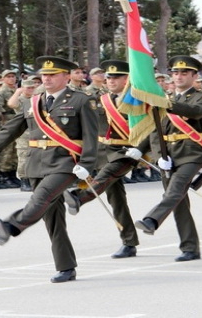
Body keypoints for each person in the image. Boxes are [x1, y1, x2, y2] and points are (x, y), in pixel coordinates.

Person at [0, 56, 98, 283]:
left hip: (65, 164)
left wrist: (87, 164)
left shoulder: (82, 101)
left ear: (66, 76)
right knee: (52, 217)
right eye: (44, 75)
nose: (46, 79)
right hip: (36, 163)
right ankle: (66, 267)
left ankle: (11, 225)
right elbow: (10, 131)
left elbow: (91, 136)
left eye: (52, 74)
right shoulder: (32, 102)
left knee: (42, 197)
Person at [133, 55, 202, 262]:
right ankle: (190, 248)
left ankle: (152, 220)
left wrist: (167, 103)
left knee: (174, 191)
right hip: (167, 155)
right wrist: (148, 153)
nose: (178, 76)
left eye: (184, 73)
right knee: (178, 202)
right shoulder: (166, 98)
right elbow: (155, 129)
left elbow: (196, 113)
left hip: (191, 153)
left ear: (194, 76)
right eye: (175, 73)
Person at [63, 60, 141, 259]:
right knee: (116, 198)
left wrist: (142, 149)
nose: (111, 81)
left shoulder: (137, 98)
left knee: (107, 175)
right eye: (109, 77)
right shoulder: (98, 98)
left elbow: (148, 125)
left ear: (127, 79)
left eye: (116, 77)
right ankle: (129, 242)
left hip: (126, 150)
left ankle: (81, 198)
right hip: (103, 151)